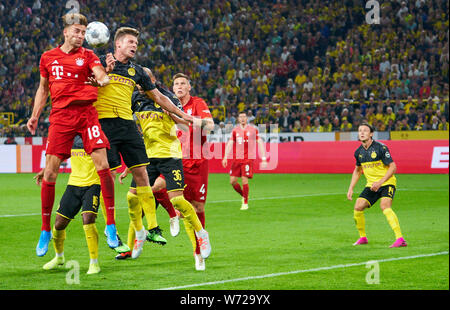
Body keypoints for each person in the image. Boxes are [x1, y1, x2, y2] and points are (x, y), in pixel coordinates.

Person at [93, 27, 194, 258]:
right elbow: (87, 87)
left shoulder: (137, 71)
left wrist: (184, 116)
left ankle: (151, 228)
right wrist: (102, 74)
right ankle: (113, 228)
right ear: (117, 44)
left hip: (130, 128)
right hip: (105, 125)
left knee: (142, 178)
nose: (135, 45)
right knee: (107, 175)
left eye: (136, 43)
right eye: (130, 41)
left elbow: (158, 96)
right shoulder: (98, 62)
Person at [26, 13, 117, 257]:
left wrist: (103, 77)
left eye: (83, 32)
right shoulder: (48, 57)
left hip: (87, 115)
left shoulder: (88, 55)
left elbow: (99, 74)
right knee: (51, 171)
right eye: (76, 31)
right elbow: (43, 89)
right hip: (61, 117)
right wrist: (35, 115)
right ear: (65, 32)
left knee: (103, 165)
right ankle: (45, 230)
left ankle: (110, 224)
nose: (80, 36)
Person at [118, 68, 211, 267]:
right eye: (176, 83)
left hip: (182, 159)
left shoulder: (175, 101)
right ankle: (142, 234)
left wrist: (186, 119)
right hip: (151, 157)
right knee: (138, 195)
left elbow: (198, 126)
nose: (140, 85)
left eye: (182, 84)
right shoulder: (136, 99)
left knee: (188, 204)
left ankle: (199, 243)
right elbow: (137, 131)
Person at [35, 136, 116, 274]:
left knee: (88, 219)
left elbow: (108, 162)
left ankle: (94, 263)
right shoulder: (71, 136)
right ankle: (59, 257)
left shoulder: (95, 135)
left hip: (93, 184)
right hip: (73, 184)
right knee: (59, 224)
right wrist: (45, 170)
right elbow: (59, 156)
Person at [172, 73, 215, 269]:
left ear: (189, 87)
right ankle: (169, 217)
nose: (179, 86)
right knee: (173, 200)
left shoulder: (197, 103)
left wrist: (194, 121)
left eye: (183, 83)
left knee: (197, 208)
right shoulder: (169, 104)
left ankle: (198, 254)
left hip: (197, 162)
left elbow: (211, 125)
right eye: (176, 84)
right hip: (174, 160)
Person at [347, 123, 407, 248]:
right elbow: (357, 170)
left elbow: (393, 167)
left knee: (384, 205)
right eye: (360, 130)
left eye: (365, 130)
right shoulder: (358, 152)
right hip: (371, 185)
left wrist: (380, 182)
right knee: (358, 206)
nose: (362, 132)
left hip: (387, 183)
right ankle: (362, 237)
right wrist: (351, 188)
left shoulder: (381, 148)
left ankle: (400, 239)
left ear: (371, 134)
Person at [222, 112, 267, 210]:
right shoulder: (235, 130)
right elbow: (230, 143)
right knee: (232, 181)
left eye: (244, 117)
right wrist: (225, 156)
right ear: (238, 119)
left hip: (247, 159)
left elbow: (259, 142)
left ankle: (245, 203)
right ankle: (244, 195)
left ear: (247, 119)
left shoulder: (253, 130)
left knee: (244, 179)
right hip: (236, 159)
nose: (242, 118)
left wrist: (263, 158)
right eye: (240, 117)